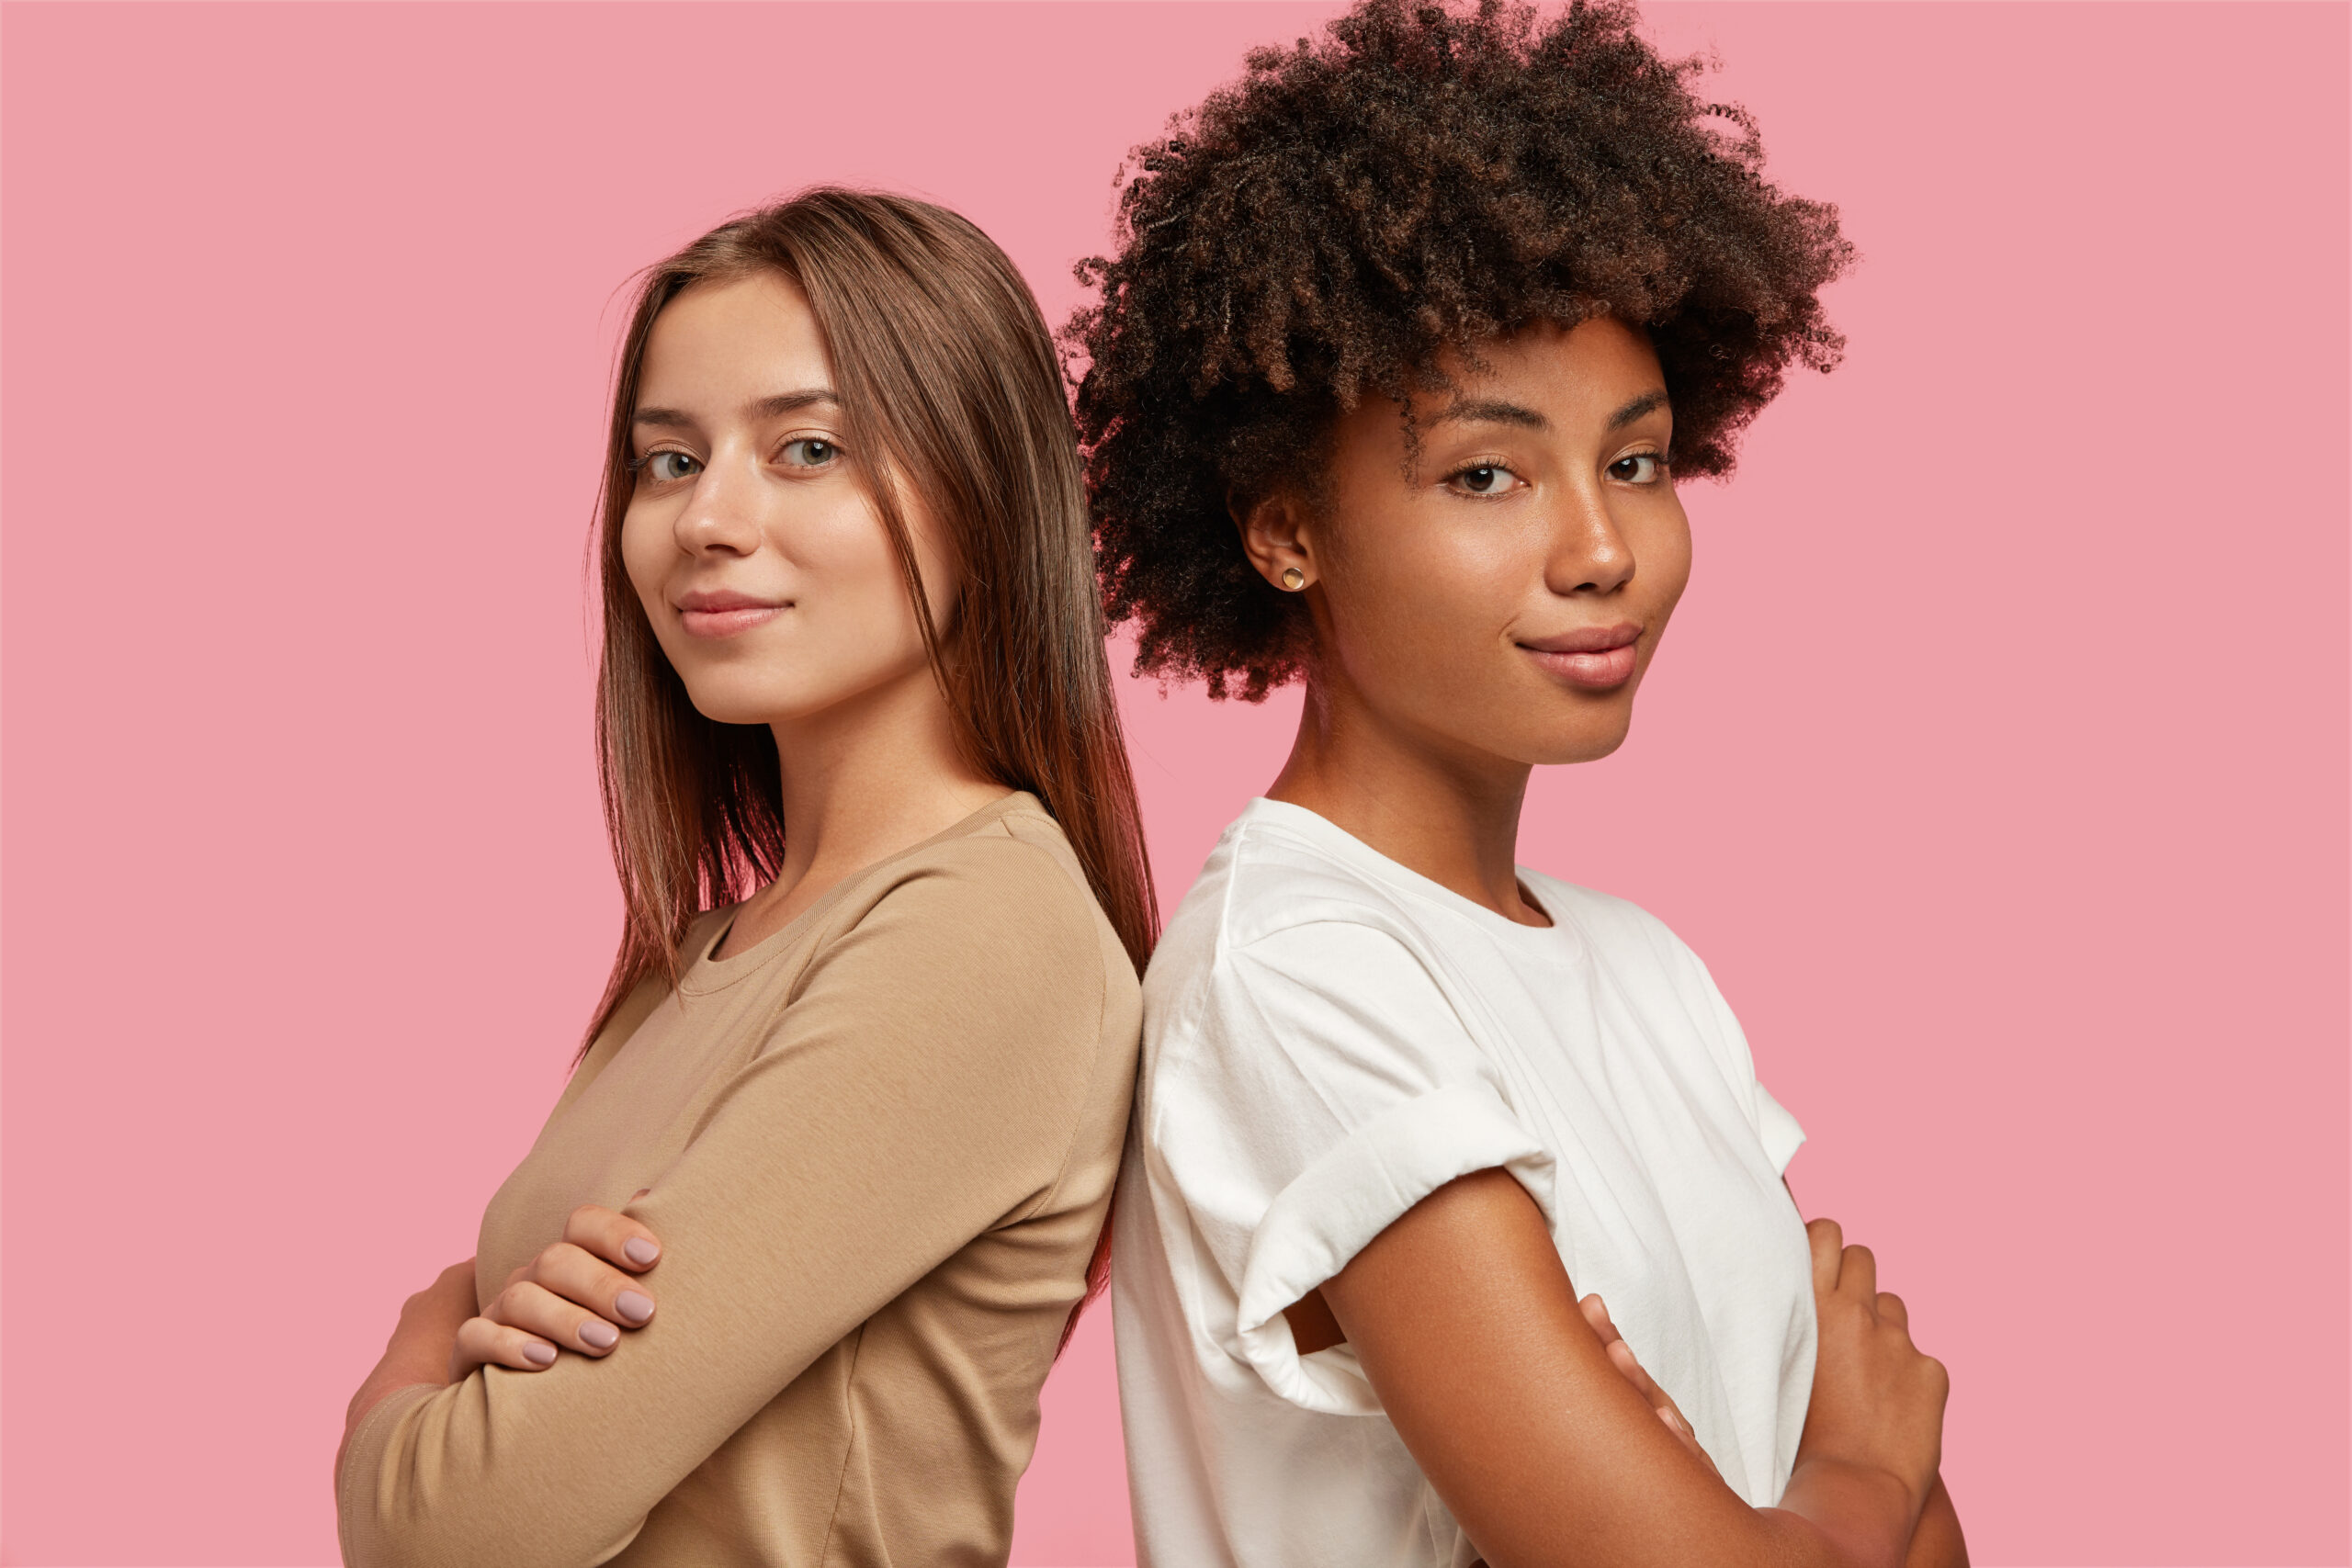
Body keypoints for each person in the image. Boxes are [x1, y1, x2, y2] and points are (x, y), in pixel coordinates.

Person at [1065, 4, 1964, 1565]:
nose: (1601, 548)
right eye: (1487, 473)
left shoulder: (1648, 972)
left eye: (1634, 460)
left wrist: (1773, 1513)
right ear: (1284, 530)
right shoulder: (1299, 976)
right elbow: (1836, 1497)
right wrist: (1855, 1482)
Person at [335, 188, 1155, 1567]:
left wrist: (401, 1386)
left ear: (984, 487)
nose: (707, 520)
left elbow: (465, 1530)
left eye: (810, 448)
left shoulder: (981, 932)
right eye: (668, 462)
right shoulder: (702, 953)